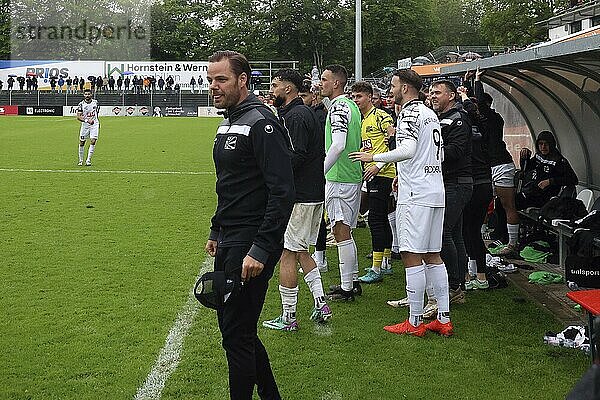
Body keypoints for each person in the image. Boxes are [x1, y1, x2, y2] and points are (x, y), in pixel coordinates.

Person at [205, 50, 294, 400]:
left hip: (251, 242)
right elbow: (228, 184)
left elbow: (283, 190)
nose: (214, 86)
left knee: (236, 334)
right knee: (236, 329)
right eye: (210, 79)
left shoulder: (261, 121)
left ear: (243, 80)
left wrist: (261, 247)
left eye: (221, 79)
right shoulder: (227, 119)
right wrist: (216, 228)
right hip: (229, 237)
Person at [350, 69, 453, 337]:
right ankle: (443, 317)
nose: (390, 90)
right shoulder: (431, 114)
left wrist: (376, 157)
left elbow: (408, 150)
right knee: (433, 255)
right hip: (434, 190)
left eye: (393, 85)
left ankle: (415, 321)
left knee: (410, 254)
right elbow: (433, 155)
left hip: (417, 194)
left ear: (405, 88)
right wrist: (404, 175)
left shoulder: (408, 113)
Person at [262, 68, 331, 331]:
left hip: (300, 196)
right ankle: (321, 303)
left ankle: (288, 316)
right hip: (312, 192)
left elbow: (297, 154)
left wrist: (271, 175)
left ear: (288, 89)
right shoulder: (300, 113)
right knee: (301, 250)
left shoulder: (296, 116)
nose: (272, 89)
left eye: (276, 85)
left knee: (288, 253)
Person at [320, 64, 363, 302]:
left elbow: (338, 144)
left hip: (340, 176)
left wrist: (321, 171)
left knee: (340, 230)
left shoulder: (339, 108)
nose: (321, 83)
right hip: (351, 175)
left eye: (325, 79)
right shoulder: (351, 106)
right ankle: (352, 280)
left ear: (336, 83)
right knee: (345, 229)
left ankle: (347, 287)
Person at [468, 68, 520, 256]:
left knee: (507, 205)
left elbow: (479, 103)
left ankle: (513, 244)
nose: (474, 108)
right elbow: (473, 103)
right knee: (481, 203)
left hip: (501, 165)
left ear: (487, 106)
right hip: (488, 166)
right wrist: (467, 83)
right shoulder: (480, 119)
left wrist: (477, 80)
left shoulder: (493, 117)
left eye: (478, 105)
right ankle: (482, 236)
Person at [430, 79, 472, 305]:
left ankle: (454, 285)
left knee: (443, 232)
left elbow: (456, 150)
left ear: (452, 95)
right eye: (431, 93)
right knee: (454, 233)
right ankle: (459, 284)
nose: (433, 96)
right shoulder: (440, 118)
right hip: (450, 182)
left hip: (457, 183)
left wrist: (430, 153)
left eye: (437, 92)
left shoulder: (458, 119)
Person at [350, 81, 396, 283]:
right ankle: (385, 262)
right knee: (381, 218)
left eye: (359, 96)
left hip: (383, 172)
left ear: (370, 96)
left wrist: (378, 164)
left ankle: (376, 268)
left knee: (376, 219)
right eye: (353, 97)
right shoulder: (363, 119)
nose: (356, 100)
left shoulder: (381, 116)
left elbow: (392, 143)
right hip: (373, 172)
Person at [456, 86, 493, 290]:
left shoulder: (463, 132)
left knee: (465, 231)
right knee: (473, 231)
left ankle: (472, 275)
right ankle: (480, 275)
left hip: (472, 185)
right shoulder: (484, 129)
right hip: (485, 184)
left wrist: (463, 96)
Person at [516, 130, 578, 209]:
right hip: (533, 192)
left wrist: (550, 181)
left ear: (551, 145)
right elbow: (526, 168)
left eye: (546, 144)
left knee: (515, 203)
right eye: (540, 144)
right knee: (508, 201)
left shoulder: (558, 160)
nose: (543, 147)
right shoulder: (539, 156)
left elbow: (573, 179)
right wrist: (525, 157)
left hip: (547, 198)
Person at [75, 89, 100, 166]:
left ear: (91, 94)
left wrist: (95, 122)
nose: (87, 95)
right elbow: (78, 117)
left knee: (93, 141)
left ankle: (88, 160)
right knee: (82, 142)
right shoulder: (81, 104)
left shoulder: (95, 102)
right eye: (86, 94)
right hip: (85, 125)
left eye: (88, 94)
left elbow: (96, 113)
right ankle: (81, 160)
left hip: (94, 124)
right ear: (84, 95)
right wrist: (87, 120)